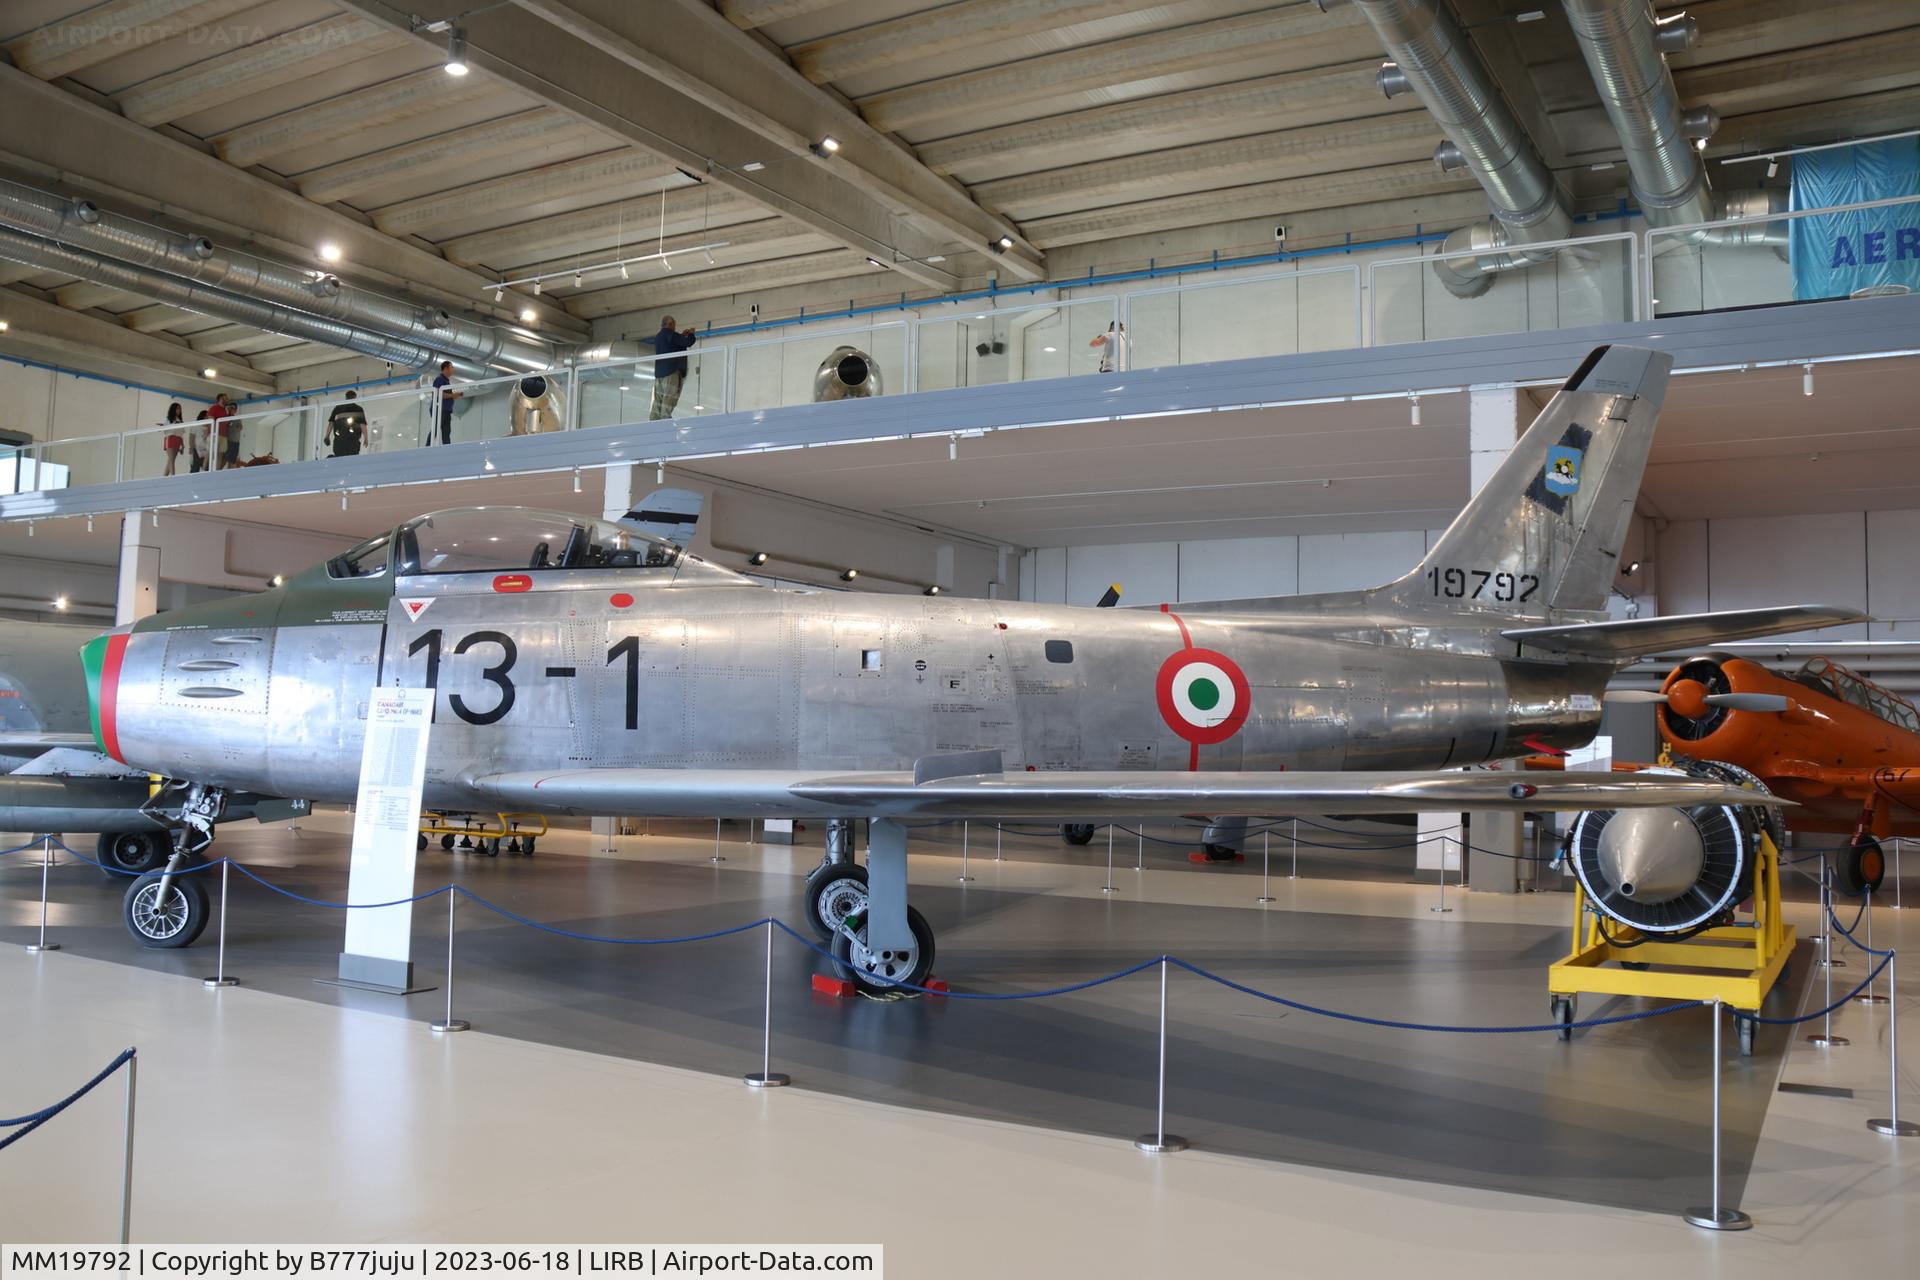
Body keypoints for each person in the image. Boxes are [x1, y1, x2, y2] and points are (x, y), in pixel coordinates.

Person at [649, 315, 698, 420]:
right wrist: (691, 334)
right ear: (670, 324)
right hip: (671, 372)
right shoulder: (670, 334)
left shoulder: (658, 337)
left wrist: (681, 335)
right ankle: (666, 423)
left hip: (659, 374)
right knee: (669, 399)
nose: (675, 327)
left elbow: (673, 344)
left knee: (658, 400)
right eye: (674, 324)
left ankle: (654, 422)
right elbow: (688, 342)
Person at [325, 389, 367, 458]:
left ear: (346, 397)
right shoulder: (358, 409)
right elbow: (362, 425)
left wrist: (327, 436)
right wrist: (366, 439)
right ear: (355, 398)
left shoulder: (338, 408)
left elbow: (331, 423)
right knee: (351, 459)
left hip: (341, 440)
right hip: (352, 440)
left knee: (340, 458)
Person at [430, 361, 460, 445]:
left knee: (446, 432)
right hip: (440, 409)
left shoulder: (446, 381)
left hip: (445, 410)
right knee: (435, 430)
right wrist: (452, 395)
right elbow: (437, 394)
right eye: (451, 367)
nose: (453, 369)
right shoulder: (439, 379)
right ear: (446, 368)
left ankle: (447, 448)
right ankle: (427, 447)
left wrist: (452, 396)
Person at [208, 392, 238, 469]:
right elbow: (211, 420)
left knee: (220, 454)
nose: (227, 400)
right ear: (220, 399)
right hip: (215, 434)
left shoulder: (225, 410)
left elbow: (228, 422)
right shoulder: (214, 408)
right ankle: (207, 469)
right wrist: (213, 432)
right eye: (225, 398)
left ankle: (216, 470)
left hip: (223, 435)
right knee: (212, 452)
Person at [160, 402, 184, 476]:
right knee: (171, 460)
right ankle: (173, 476)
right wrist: (162, 426)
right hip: (170, 438)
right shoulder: (169, 419)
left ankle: (164, 477)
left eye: (180, 409)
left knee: (171, 460)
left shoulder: (180, 421)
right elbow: (164, 428)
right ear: (173, 409)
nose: (179, 410)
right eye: (177, 408)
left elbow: (181, 434)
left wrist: (182, 445)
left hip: (178, 440)